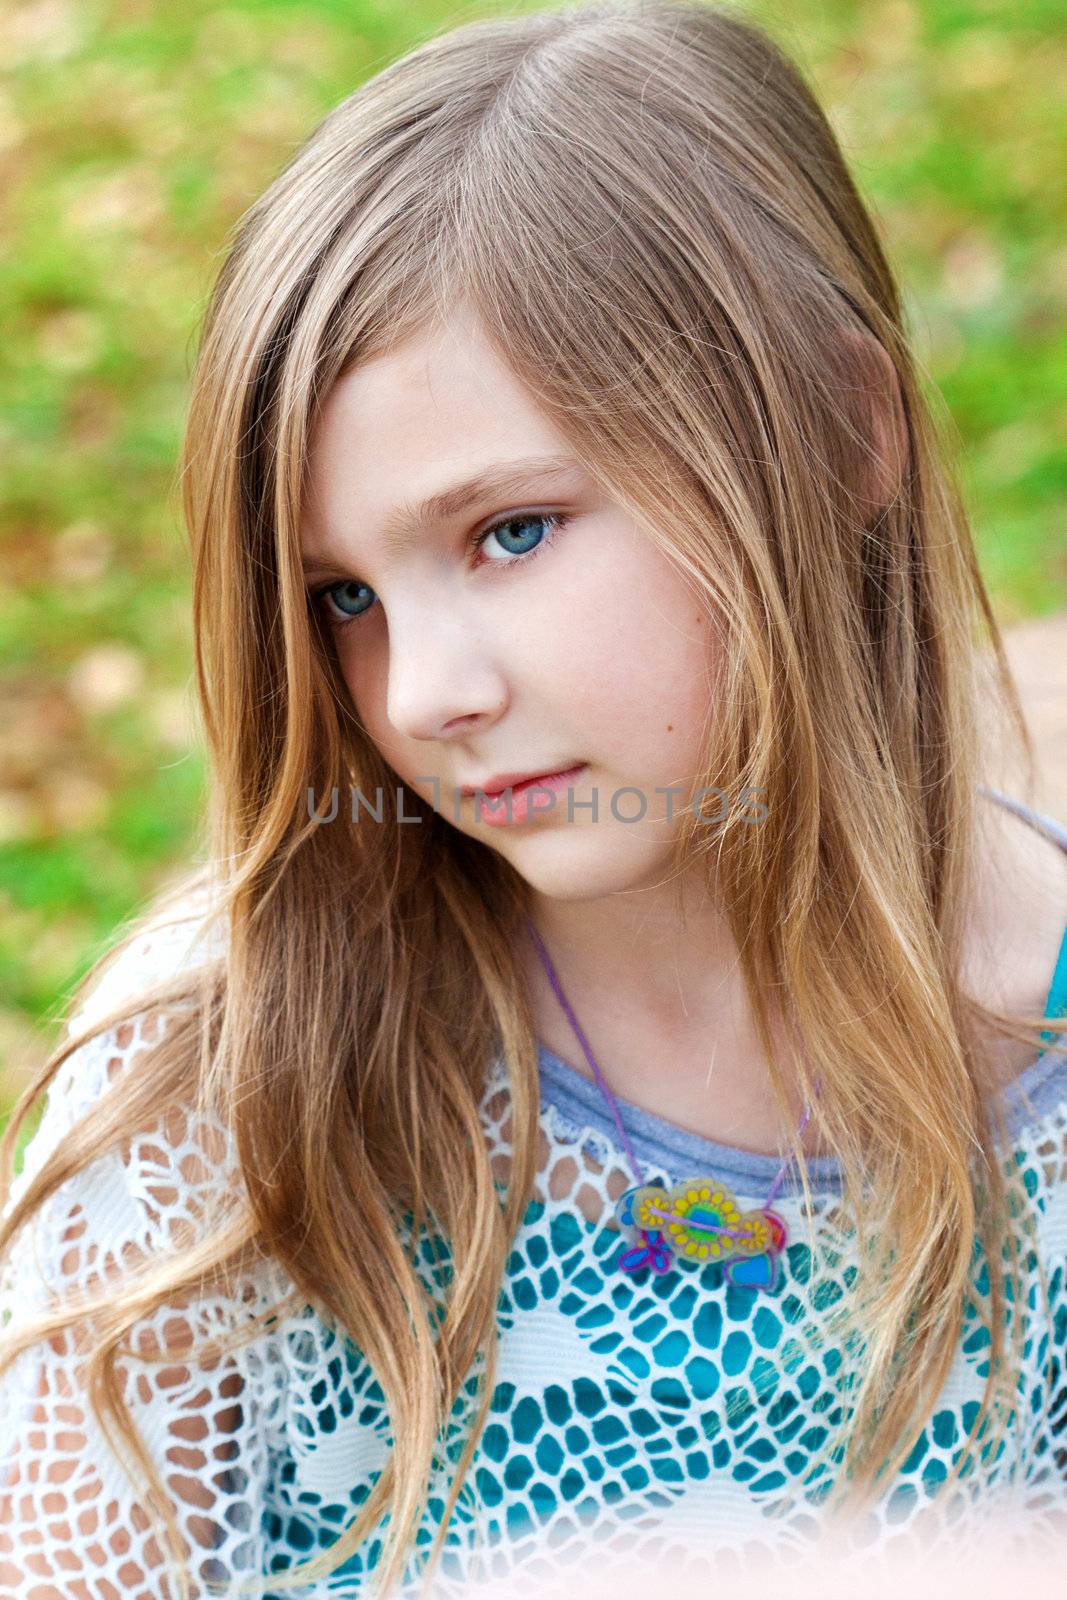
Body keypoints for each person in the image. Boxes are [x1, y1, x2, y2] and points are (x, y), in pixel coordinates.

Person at [2, 2, 1065, 1596]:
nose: (424, 695)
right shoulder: (221, 1108)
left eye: (509, 533)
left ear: (847, 436)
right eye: (343, 597)